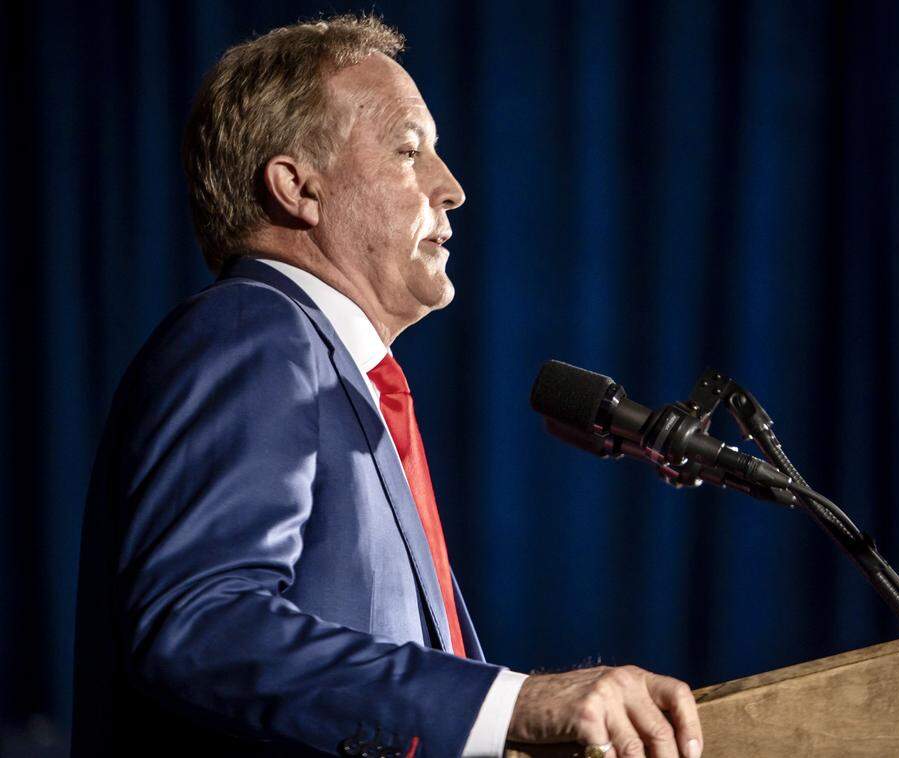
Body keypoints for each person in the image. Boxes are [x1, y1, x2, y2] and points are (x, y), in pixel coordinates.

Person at [71, 14, 703, 758]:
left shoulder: (337, 374)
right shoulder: (251, 331)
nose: (453, 188)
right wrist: (513, 703)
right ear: (297, 188)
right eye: (410, 150)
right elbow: (204, 623)